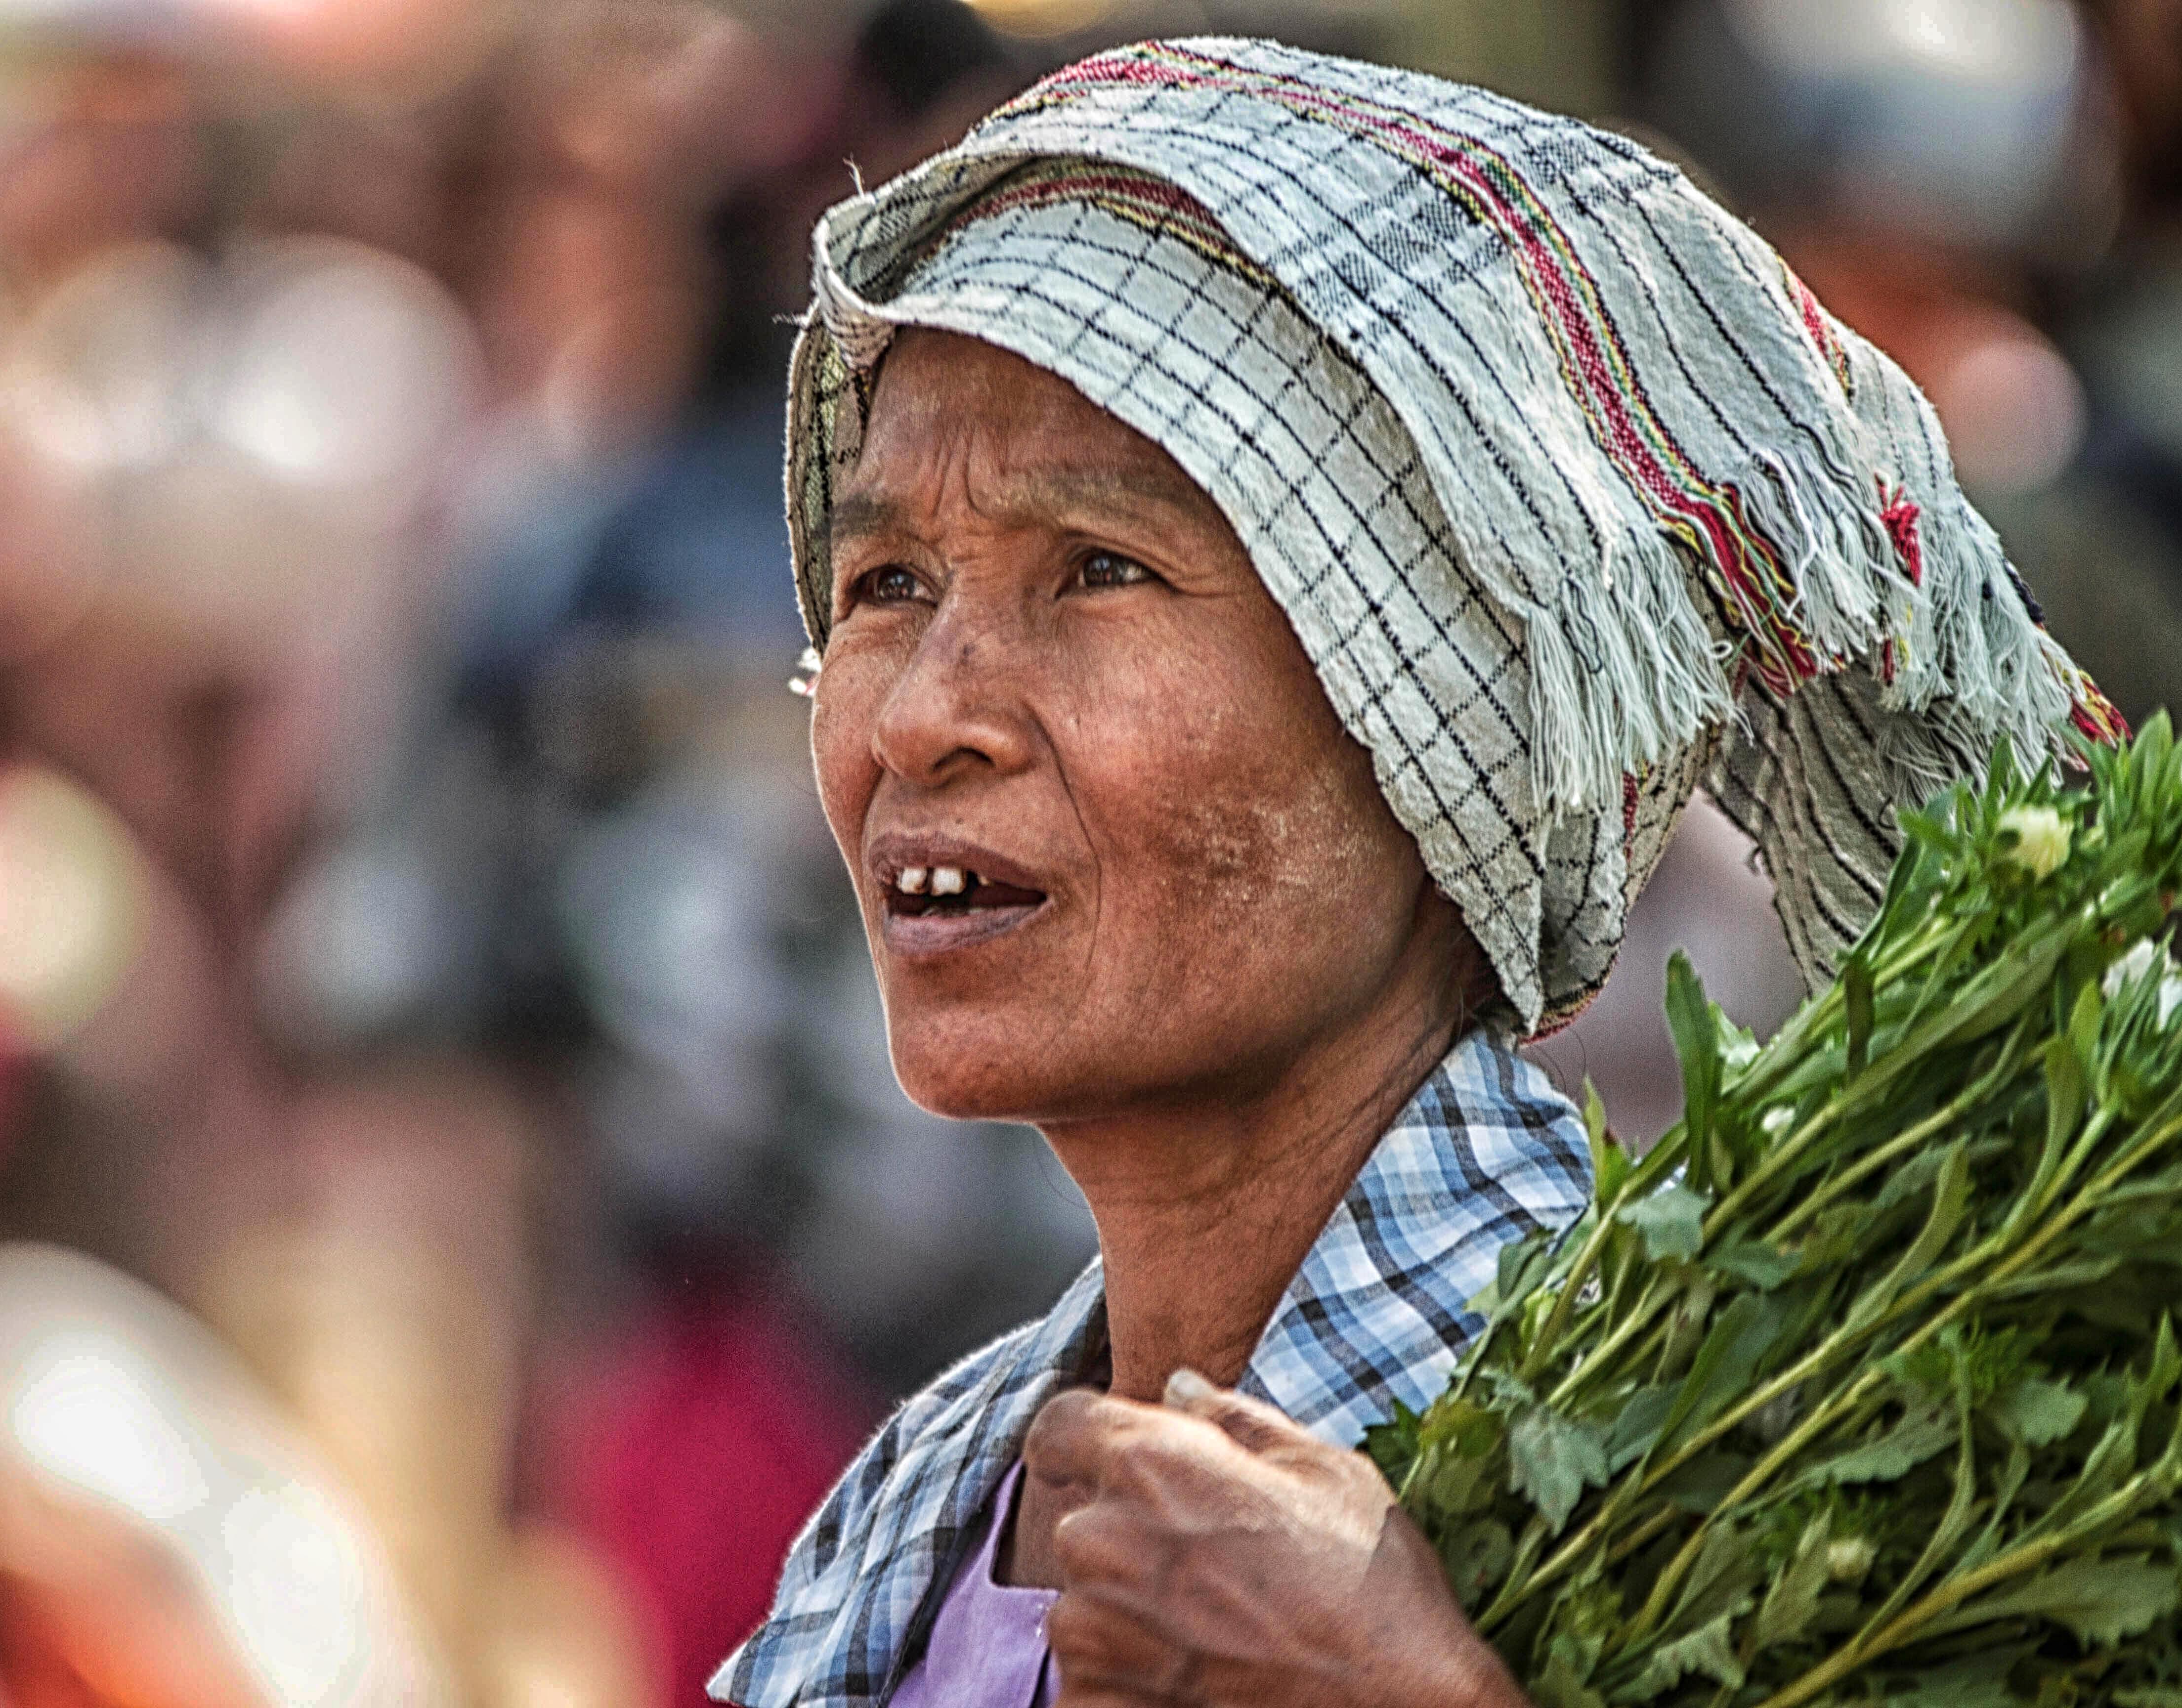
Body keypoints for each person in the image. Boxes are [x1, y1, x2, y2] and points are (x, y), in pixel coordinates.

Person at [710, 37, 2122, 1708]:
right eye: (885, 582)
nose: (928, 710)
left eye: (1099, 569)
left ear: (1436, 725)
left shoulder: (1732, 1440)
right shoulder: (919, 1508)